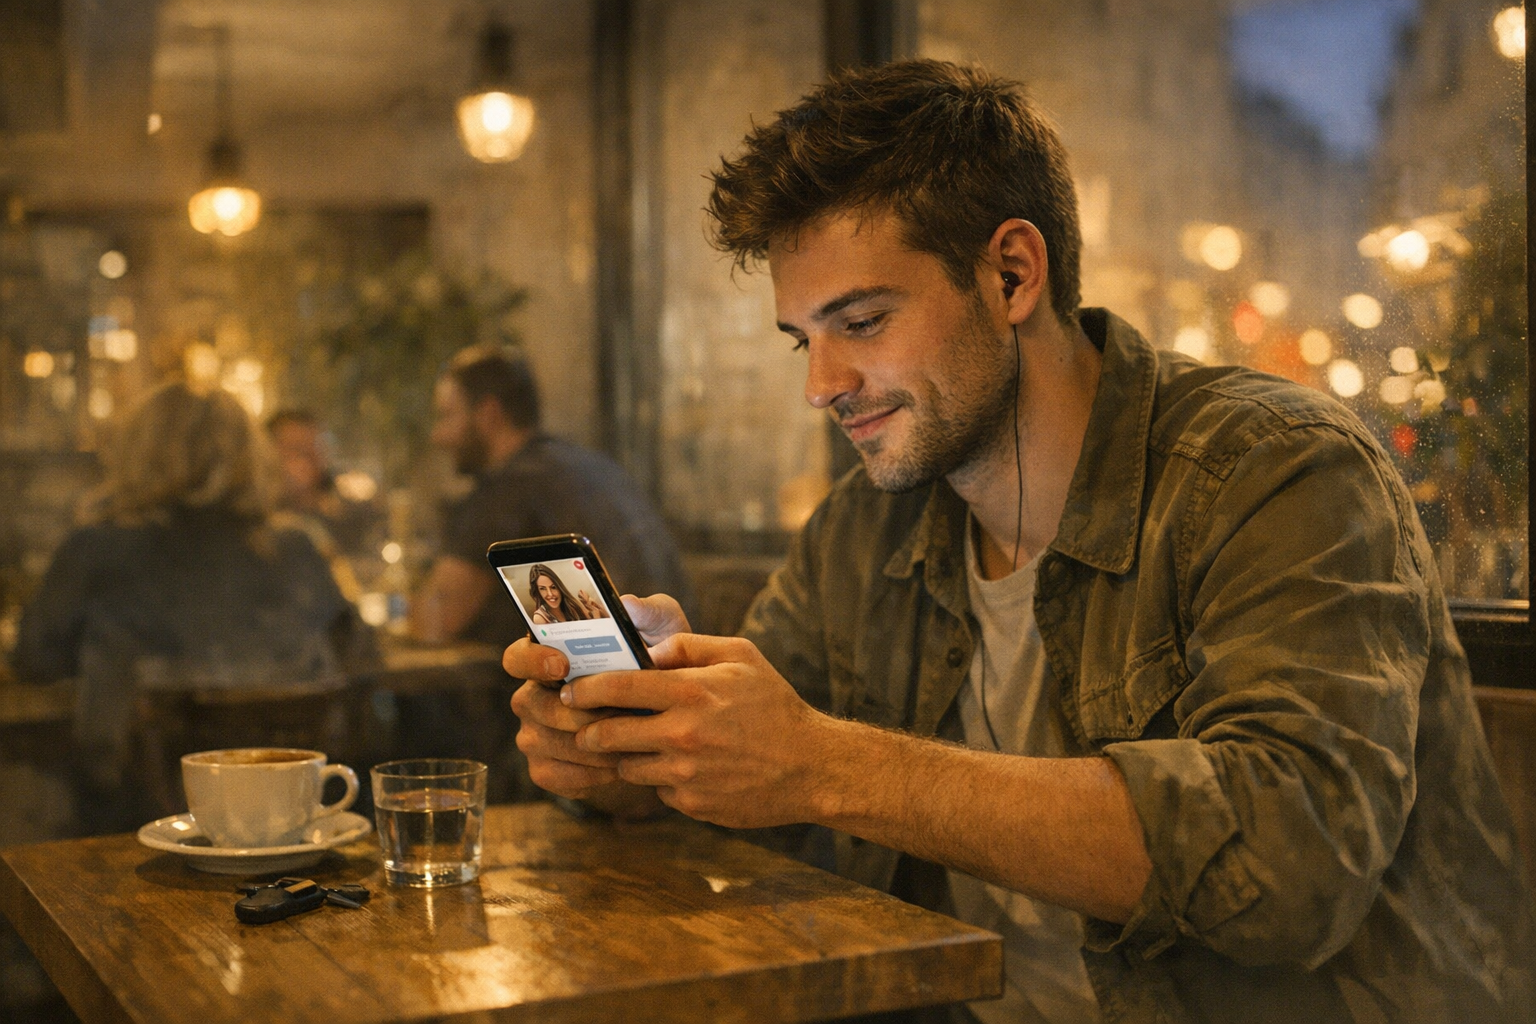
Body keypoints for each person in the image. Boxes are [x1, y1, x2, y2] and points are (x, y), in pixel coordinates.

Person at [503, 61, 1533, 1023]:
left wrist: (820, 763)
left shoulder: (1279, 470)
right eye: (803, 339)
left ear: (1010, 274)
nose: (820, 385)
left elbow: (1289, 861)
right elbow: (769, 790)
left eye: (860, 321)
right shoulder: (870, 523)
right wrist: (644, 750)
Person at [14, 381, 365, 831]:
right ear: (248, 455)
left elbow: (33, 659)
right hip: (292, 822)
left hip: (133, 824)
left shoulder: (96, 548)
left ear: (136, 453)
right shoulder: (295, 547)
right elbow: (356, 655)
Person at [411, 345, 691, 646]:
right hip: (677, 657)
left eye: (447, 416)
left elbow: (438, 621)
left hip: (617, 672)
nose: (437, 436)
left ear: (489, 414)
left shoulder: (510, 488)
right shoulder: (588, 465)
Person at [264, 408, 385, 559]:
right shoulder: (260, 522)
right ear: (266, 454)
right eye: (297, 450)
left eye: (315, 448)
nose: (309, 460)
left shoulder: (342, 509)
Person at [526, 564, 607, 625]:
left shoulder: (572, 604)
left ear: (559, 587)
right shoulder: (540, 618)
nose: (550, 594)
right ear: (537, 591)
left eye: (553, 587)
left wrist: (591, 606)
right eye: (542, 589)